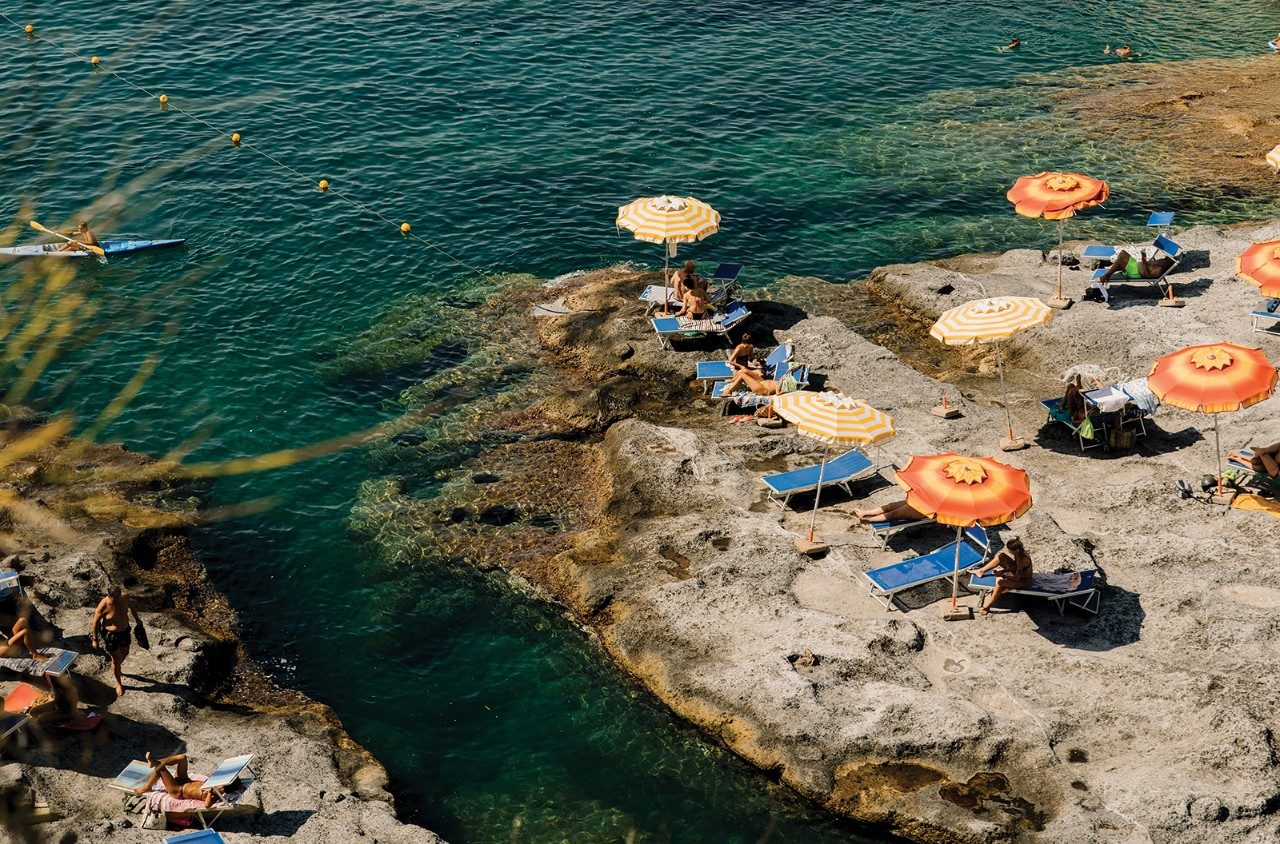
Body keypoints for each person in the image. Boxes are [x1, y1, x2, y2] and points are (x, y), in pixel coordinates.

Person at [92, 586, 145, 698]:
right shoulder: (104, 605)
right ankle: (118, 683)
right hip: (111, 635)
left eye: (117, 598)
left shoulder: (124, 598)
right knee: (116, 659)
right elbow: (95, 622)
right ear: (109, 596)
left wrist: (138, 620)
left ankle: (116, 667)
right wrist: (95, 639)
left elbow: (132, 607)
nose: (115, 601)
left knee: (125, 652)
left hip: (125, 631)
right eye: (113, 599)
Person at [132, 753, 219, 807]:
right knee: (182, 757)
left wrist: (210, 791)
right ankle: (155, 762)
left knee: (160, 767)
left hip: (178, 790)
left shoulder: (214, 795)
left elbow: (207, 805)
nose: (220, 786)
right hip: (185, 780)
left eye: (221, 787)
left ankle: (148, 787)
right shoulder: (215, 783)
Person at [974, 536, 1033, 615]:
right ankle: (981, 571)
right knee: (1002, 556)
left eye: (1010, 550)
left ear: (1016, 550)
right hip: (1018, 574)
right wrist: (1004, 571)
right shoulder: (1018, 552)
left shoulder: (1022, 559)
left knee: (1000, 583)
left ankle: (987, 607)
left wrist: (1003, 575)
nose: (1009, 551)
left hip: (1024, 581)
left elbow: (1016, 578)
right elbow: (1015, 567)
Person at [1092, 249, 1174, 304]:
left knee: (1120, 263)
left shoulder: (1159, 270)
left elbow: (1145, 274)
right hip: (1135, 266)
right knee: (1123, 253)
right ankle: (1113, 270)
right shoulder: (1161, 263)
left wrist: (1144, 259)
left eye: (1167, 258)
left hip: (1136, 273)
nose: (1165, 257)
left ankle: (1106, 276)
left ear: (1168, 263)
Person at [854, 500, 927, 524]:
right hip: (917, 500)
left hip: (925, 510)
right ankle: (865, 512)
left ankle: (869, 520)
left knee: (896, 513)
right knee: (891, 506)